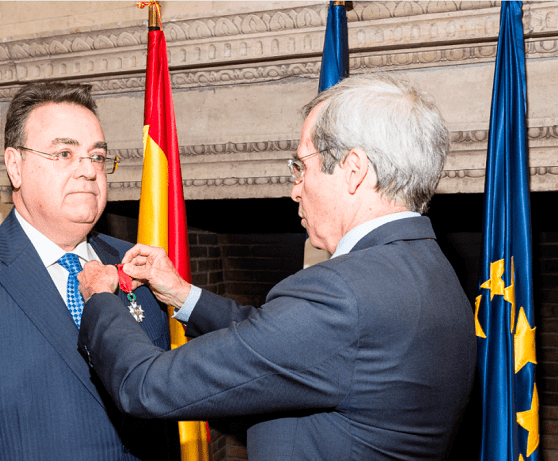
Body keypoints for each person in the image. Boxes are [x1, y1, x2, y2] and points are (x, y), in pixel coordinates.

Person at [76, 73, 477, 460]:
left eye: (302, 166)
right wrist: (181, 294)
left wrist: (99, 298)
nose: (294, 189)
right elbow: (279, 339)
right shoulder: (435, 272)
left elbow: (148, 386)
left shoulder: (342, 293)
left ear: (353, 170)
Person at [0, 82, 177, 461]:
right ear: (15, 166)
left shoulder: (139, 266)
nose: (88, 171)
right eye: (65, 153)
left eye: (98, 157)